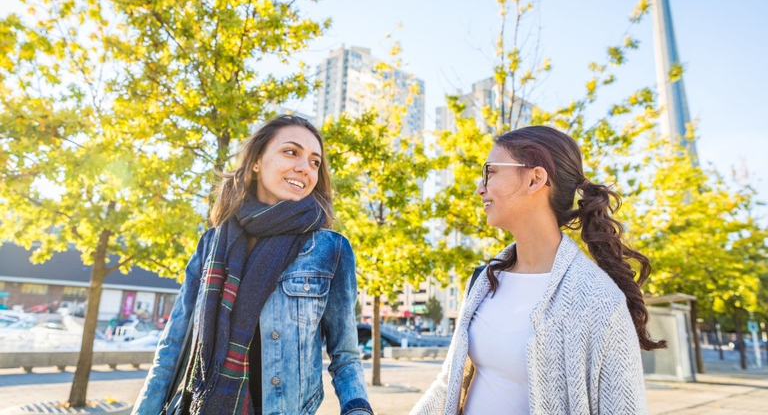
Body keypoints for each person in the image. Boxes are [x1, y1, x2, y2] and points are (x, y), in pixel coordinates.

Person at [410, 125, 665, 415]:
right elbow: (449, 383)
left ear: (535, 179)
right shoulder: (483, 280)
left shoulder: (600, 301)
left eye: (490, 173)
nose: (481, 188)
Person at [132, 115, 372, 415]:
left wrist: (358, 409)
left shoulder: (330, 249)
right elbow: (173, 345)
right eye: (291, 152)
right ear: (257, 160)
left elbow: (345, 354)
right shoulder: (212, 243)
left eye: (315, 162)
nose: (304, 167)